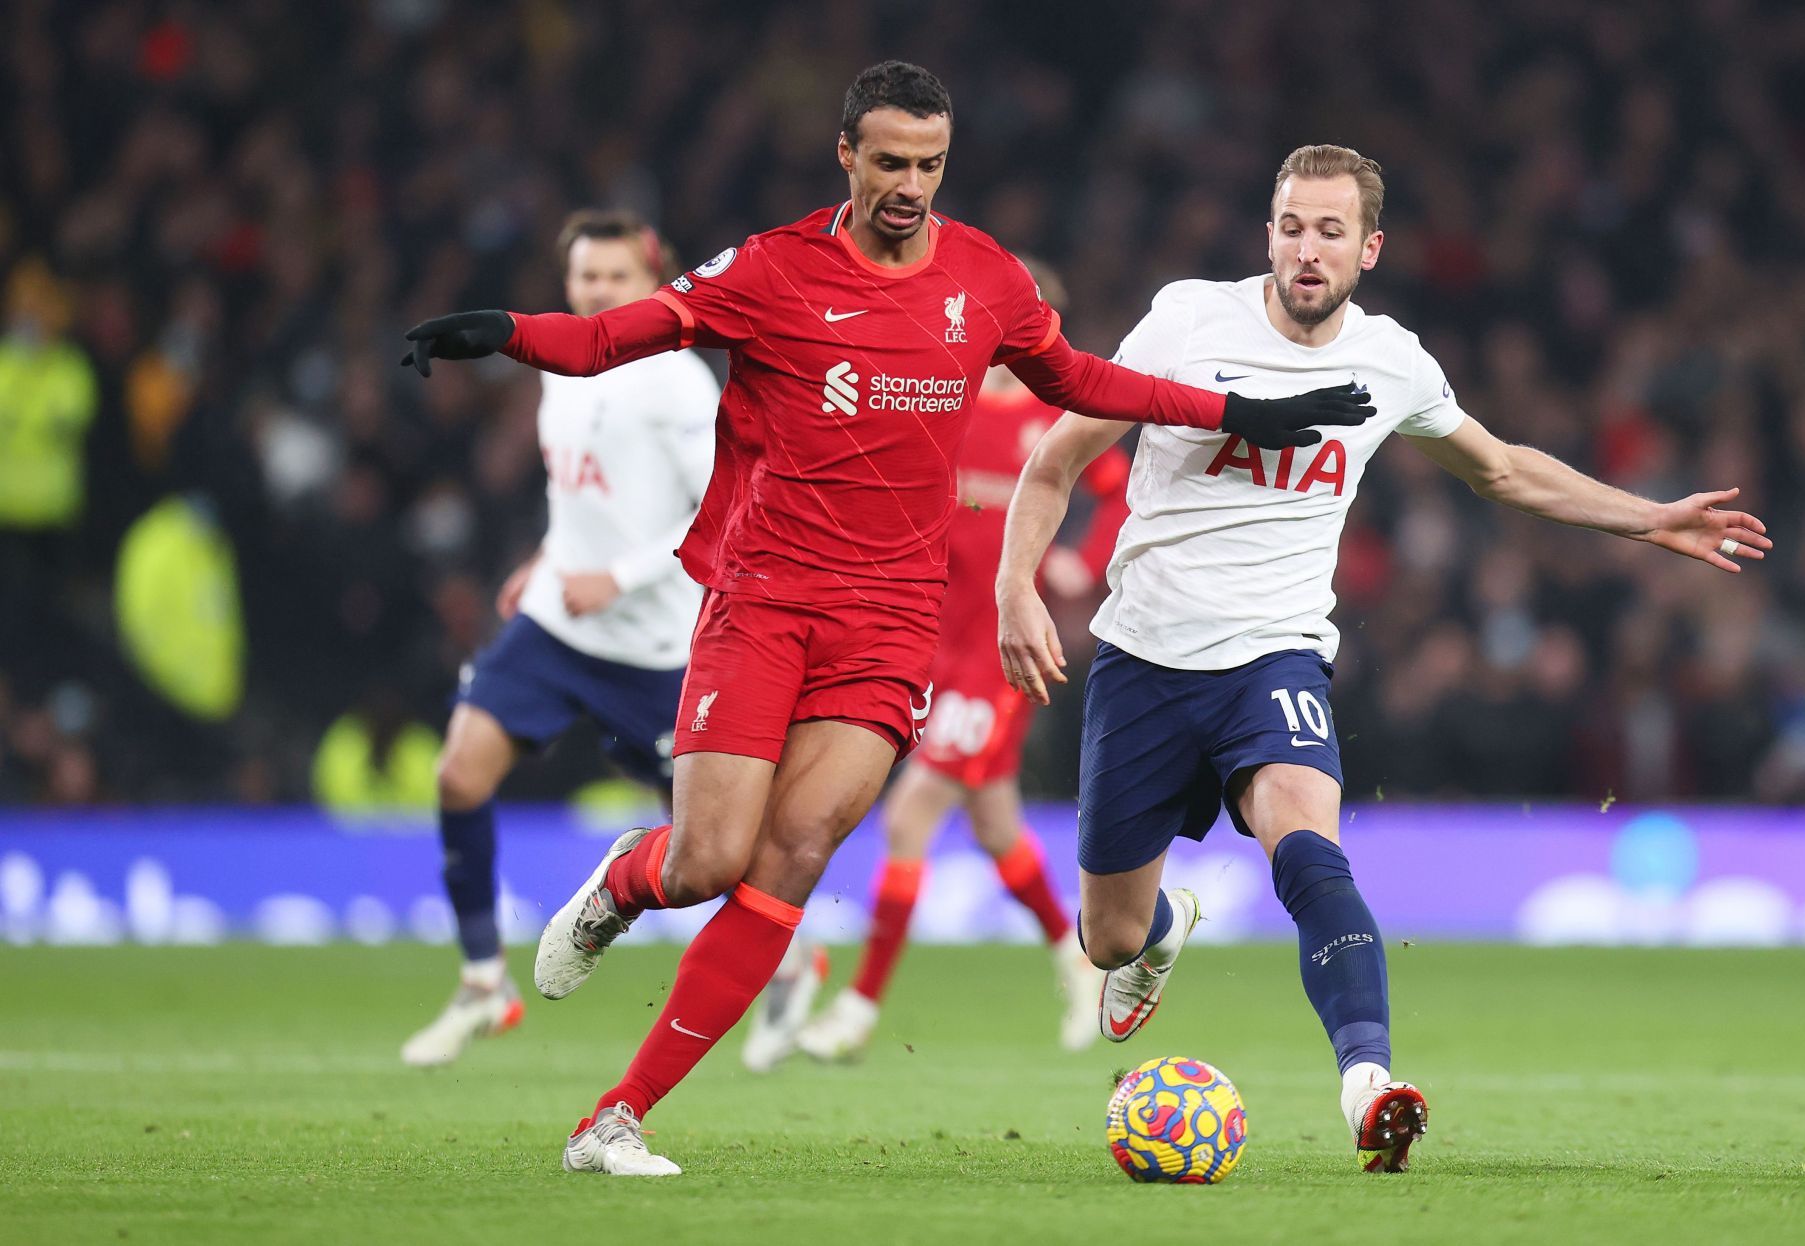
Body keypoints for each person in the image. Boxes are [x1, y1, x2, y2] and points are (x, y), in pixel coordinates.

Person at [400, 62, 1374, 1177]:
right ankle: (635, 875)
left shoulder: (983, 277)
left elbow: (1083, 380)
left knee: (797, 853)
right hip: (763, 601)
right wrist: (506, 332)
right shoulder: (770, 270)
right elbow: (622, 333)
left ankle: (614, 1117)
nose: (911, 183)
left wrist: (1243, 409)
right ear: (848, 156)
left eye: (931, 163)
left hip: (891, 625)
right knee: (708, 859)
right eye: (891, 161)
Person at [995, 144, 1773, 1174]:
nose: (1307, 250)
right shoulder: (1186, 322)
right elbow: (1056, 461)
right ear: (1265, 233)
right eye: (1290, 227)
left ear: (1369, 247)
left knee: (1309, 845)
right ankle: (1157, 933)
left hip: (1275, 658)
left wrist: (1649, 519)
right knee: (1105, 934)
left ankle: (1369, 1084)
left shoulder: (1391, 359)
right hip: (1143, 660)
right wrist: (1015, 585)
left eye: (1329, 231)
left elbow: (1499, 469)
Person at [745, 261, 1125, 1069]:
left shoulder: (1055, 416)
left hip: (1000, 649)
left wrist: (1081, 562)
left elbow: (1121, 491)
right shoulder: (938, 401)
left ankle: (857, 1006)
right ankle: (1079, 961)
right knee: (993, 825)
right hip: (924, 634)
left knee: (910, 815)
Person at [399, 211, 719, 1067]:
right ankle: (479, 984)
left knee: (710, 849)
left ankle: (795, 970)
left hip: (654, 646)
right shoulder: (564, 366)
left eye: (615, 278)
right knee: (459, 770)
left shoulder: (681, 385)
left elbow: (717, 509)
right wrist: (547, 558)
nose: (598, 292)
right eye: (585, 279)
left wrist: (619, 576)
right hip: (556, 622)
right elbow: (583, 493)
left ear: (652, 282)